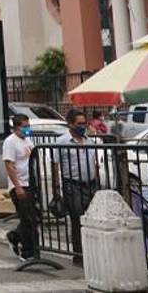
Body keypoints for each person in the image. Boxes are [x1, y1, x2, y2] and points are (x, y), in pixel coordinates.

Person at [53, 109, 100, 262]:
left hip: (90, 184)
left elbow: (94, 162)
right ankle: (79, 254)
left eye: (84, 123)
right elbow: (55, 164)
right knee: (77, 218)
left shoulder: (89, 140)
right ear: (71, 124)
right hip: (72, 184)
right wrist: (57, 187)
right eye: (79, 124)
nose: (83, 126)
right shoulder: (62, 141)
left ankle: (92, 251)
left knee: (92, 218)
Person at [3, 113, 38, 262]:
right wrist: (17, 186)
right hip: (20, 185)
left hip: (31, 183)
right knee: (27, 218)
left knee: (33, 218)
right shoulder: (10, 142)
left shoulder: (28, 140)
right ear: (16, 127)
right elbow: (9, 165)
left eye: (28, 126)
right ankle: (28, 251)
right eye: (24, 127)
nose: (27, 129)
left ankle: (15, 236)